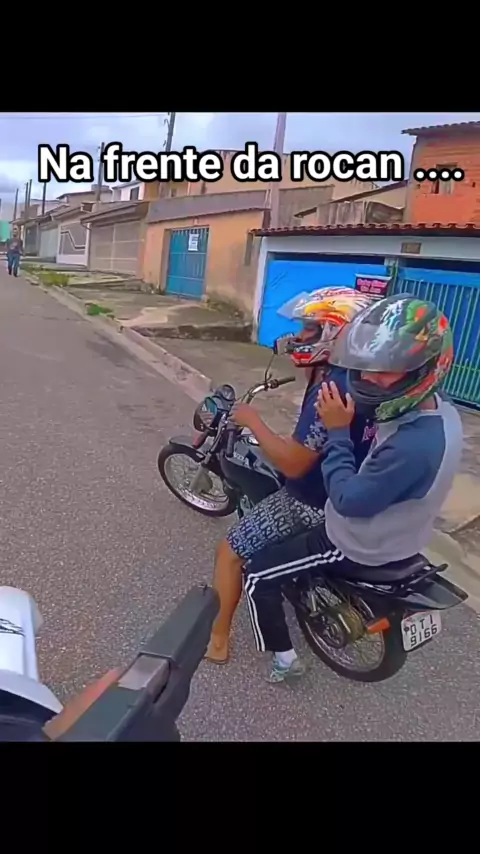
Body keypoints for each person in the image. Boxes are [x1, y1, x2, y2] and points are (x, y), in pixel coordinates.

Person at [241, 293, 463, 683]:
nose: (369, 379)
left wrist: (338, 431)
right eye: (367, 366)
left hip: (355, 541)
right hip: (404, 531)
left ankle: (284, 661)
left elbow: (345, 501)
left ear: (427, 367)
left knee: (257, 572)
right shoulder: (440, 412)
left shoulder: (413, 446)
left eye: (388, 370)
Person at [205, 287, 377, 664]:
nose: (299, 337)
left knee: (228, 553)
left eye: (310, 329)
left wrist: (253, 421)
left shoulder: (329, 390)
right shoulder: (363, 379)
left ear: (336, 334)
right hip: (348, 487)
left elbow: (294, 465)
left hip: (311, 499)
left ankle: (217, 640)